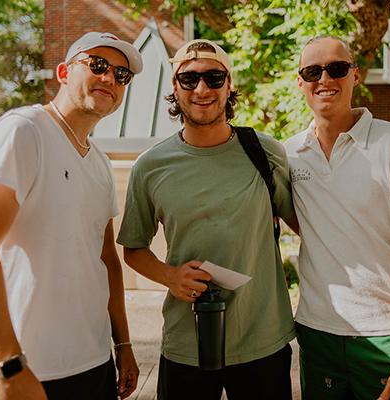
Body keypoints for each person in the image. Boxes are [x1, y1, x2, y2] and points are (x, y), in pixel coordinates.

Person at [0, 32, 143, 400]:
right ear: (62, 72)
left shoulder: (102, 164)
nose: (110, 78)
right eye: (98, 65)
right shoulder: (22, 132)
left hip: (93, 365)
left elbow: (106, 260)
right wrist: (9, 366)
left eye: (122, 75)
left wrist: (122, 346)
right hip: (26, 370)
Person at [117, 39, 298, 400]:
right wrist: (170, 276)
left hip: (263, 342)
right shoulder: (150, 166)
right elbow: (133, 250)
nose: (202, 89)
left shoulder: (265, 152)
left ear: (229, 85)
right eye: (190, 79)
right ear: (175, 87)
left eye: (214, 78)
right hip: (187, 344)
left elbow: (308, 226)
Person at [285, 35, 390, 400]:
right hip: (316, 332)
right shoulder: (288, 153)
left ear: (355, 75)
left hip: (386, 334)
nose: (324, 79)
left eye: (336, 69)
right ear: (300, 81)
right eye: (313, 71)